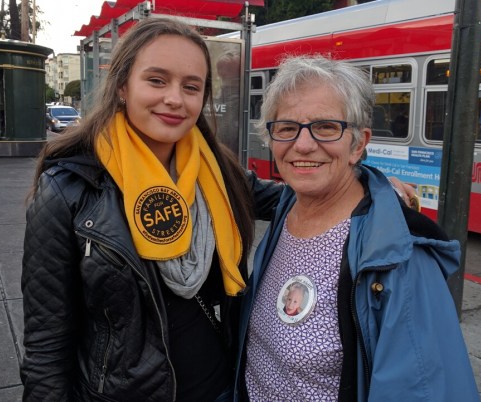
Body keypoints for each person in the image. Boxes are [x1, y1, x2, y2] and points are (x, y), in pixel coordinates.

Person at [20, 17, 283, 401]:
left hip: (219, 390)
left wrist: (367, 181)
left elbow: (298, 197)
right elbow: (46, 345)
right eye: (157, 80)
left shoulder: (219, 173)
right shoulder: (68, 189)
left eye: (191, 86)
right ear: (123, 86)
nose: (175, 98)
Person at [234, 55, 479, 401]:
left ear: (358, 144)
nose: (302, 145)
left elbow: (425, 390)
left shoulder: (400, 259)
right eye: (287, 127)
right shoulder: (288, 207)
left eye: (326, 127)